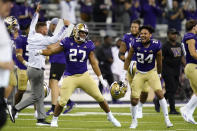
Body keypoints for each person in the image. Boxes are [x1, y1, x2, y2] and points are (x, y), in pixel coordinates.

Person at [37, 23, 121, 128]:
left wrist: (101, 78)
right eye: (81, 33)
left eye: (85, 33)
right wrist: (40, 51)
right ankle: (54, 120)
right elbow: (53, 50)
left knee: (100, 97)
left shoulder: (88, 44)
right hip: (70, 77)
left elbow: (94, 63)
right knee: (62, 101)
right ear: (76, 32)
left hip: (84, 76)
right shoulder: (67, 41)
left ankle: (110, 116)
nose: (83, 35)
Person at [10, 3, 74, 125]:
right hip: (36, 70)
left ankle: (40, 118)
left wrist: (37, 11)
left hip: (32, 68)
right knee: (36, 96)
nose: (46, 30)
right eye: (45, 28)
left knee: (39, 96)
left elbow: (33, 21)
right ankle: (15, 108)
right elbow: (55, 39)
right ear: (41, 30)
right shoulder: (41, 39)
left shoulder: (31, 35)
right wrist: (64, 28)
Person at [123, 25, 173, 128]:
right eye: (141, 33)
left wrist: (159, 73)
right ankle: (134, 121)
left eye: (145, 33)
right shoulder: (135, 43)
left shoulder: (156, 45)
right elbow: (128, 58)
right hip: (139, 73)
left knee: (160, 94)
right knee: (134, 99)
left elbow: (159, 61)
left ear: (150, 35)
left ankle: (167, 120)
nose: (143, 35)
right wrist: (125, 71)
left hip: (151, 72)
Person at [119, 19, 149, 118]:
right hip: (132, 67)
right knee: (134, 90)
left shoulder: (145, 36)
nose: (133, 29)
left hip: (143, 66)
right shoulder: (127, 37)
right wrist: (128, 62)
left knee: (145, 91)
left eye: (135, 27)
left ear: (139, 28)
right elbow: (121, 54)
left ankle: (140, 106)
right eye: (132, 27)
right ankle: (135, 109)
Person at [46, 18, 75, 115]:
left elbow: (51, 47)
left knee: (54, 82)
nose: (50, 27)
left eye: (51, 25)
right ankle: (69, 102)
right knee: (52, 84)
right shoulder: (58, 34)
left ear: (55, 25)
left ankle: (54, 107)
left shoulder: (62, 34)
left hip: (60, 60)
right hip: (56, 60)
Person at [162, 28, 186, 114]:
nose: (174, 35)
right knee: (171, 89)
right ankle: (172, 109)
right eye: (172, 34)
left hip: (176, 70)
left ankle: (158, 100)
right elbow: (161, 59)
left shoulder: (179, 45)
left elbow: (182, 57)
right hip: (167, 70)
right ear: (168, 35)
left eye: (175, 34)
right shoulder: (165, 46)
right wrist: (159, 71)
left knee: (173, 89)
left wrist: (186, 66)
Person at [0, 0, 14, 129]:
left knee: (1, 118)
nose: (10, 5)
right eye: (5, 2)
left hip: (1, 83)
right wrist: (2, 64)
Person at [180, 19, 197, 124]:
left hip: (192, 66)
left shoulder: (192, 37)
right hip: (192, 66)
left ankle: (189, 113)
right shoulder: (190, 37)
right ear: (194, 27)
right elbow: (193, 54)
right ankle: (186, 109)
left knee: (196, 93)